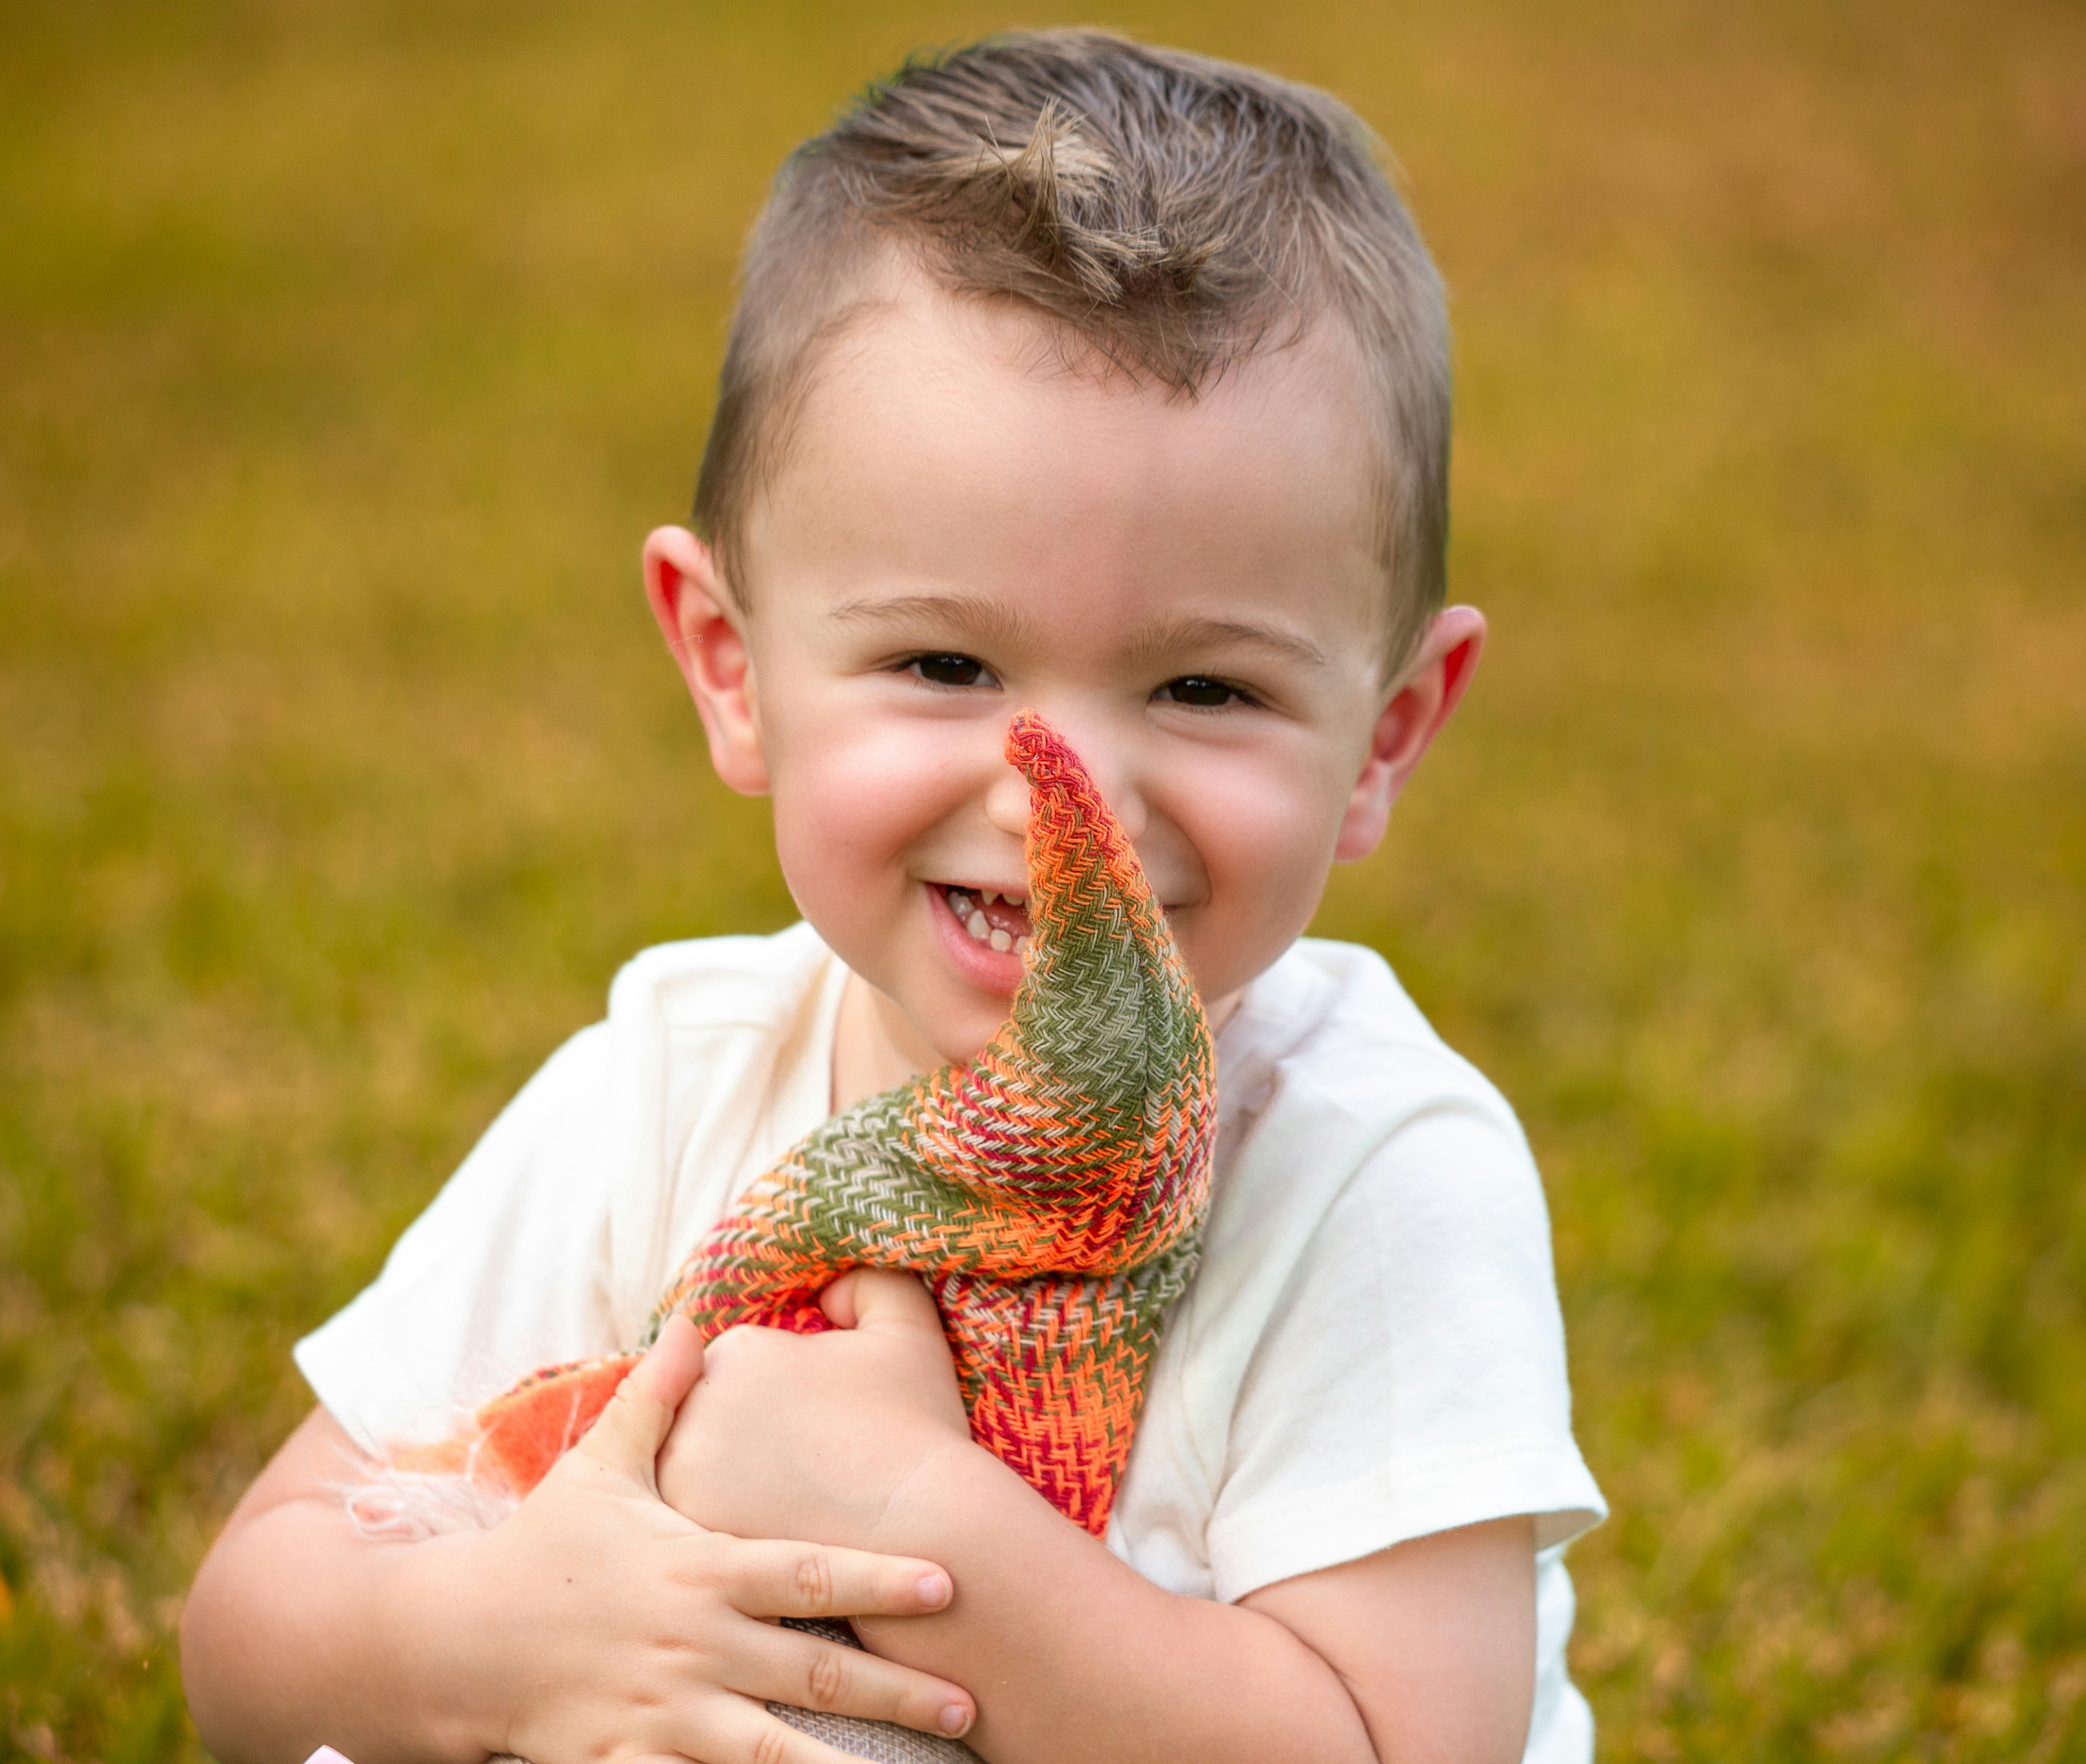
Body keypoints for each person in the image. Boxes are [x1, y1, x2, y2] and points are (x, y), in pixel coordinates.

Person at [179, 28, 1605, 1764]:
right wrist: (510, 1641)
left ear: (1385, 738)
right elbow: (255, 1625)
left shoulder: (1375, 1175)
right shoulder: (675, 1077)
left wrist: (907, 1501)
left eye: (1207, 690)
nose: (1059, 796)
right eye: (945, 661)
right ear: (731, 665)